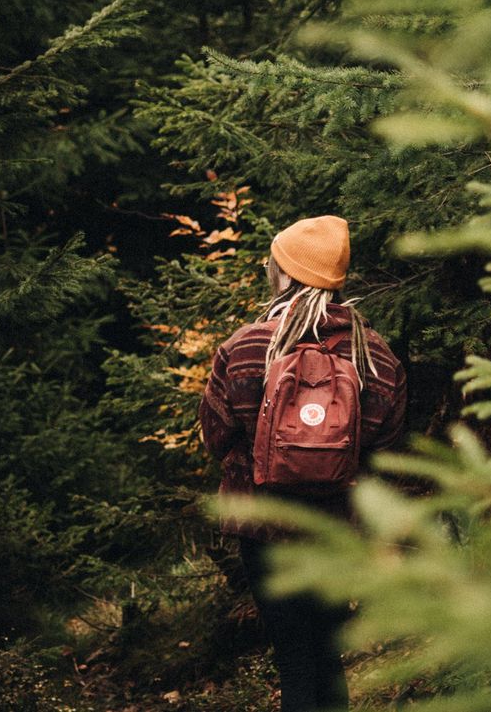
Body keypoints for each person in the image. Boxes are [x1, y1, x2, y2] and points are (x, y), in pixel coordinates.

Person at [198, 214, 407, 711]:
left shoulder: (246, 346)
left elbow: (215, 435)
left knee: (293, 659)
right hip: (338, 526)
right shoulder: (375, 355)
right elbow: (386, 449)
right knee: (328, 654)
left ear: (286, 273)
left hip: (264, 524)